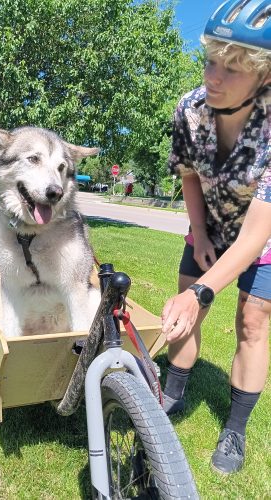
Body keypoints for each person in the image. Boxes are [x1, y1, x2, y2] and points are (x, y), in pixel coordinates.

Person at [161, 0, 271, 475]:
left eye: (232, 69)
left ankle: (235, 428)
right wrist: (200, 232)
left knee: (252, 323)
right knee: (187, 313)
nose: (214, 78)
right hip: (210, 223)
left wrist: (204, 290)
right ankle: (172, 393)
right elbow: (189, 175)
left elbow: (254, 236)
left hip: (261, 237)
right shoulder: (189, 109)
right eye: (210, 61)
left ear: (264, 76)